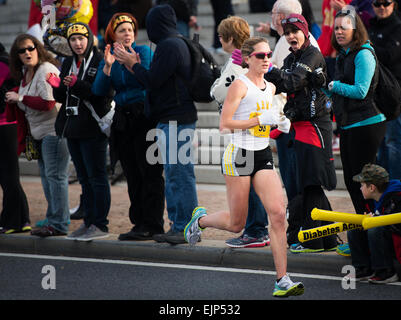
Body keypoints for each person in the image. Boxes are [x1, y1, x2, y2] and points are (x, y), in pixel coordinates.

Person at [184, 37, 305, 298]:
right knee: (237, 223)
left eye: (268, 55)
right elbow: (225, 124)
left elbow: (270, 119)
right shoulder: (239, 85)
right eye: (260, 56)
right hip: (238, 154)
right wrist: (259, 119)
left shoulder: (271, 87)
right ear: (247, 58)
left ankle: (282, 279)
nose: (265, 60)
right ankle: (201, 220)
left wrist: (280, 124)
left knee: (277, 215)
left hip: (261, 153)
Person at [113, 4, 198, 244]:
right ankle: (180, 226)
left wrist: (132, 63)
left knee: (178, 175)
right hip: (173, 117)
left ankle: (184, 227)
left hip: (175, 119)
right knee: (176, 174)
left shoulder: (170, 45)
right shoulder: (174, 42)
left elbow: (152, 80)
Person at [265, 14, 338, 253]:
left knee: (312, 183)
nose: (290, 36)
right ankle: (328, 238)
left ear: (305, 32)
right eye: (287, 33)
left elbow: (292, 81)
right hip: (299, 126)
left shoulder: (313, 53)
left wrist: (271, 69)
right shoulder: (289, 57)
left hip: (317, 126)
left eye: (294, 31)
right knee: (308, 183)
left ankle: (313, 241)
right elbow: (280, 85)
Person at [92, 13, 165, 241]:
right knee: (132, 173)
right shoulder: (110, 56)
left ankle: (153, 223)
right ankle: (138, 222)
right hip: (123, 119)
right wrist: (107, 67)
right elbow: (98, 91)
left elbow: (150, 81)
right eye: (122, 30)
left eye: (130, 30)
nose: (127, 34)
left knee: (150, 172)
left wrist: (131, 63)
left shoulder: (142, 52)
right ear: (114, 34)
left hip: (145, 116)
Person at [326, 7, 387, 256]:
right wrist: (326, 90)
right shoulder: (345, 54)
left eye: (344, 27)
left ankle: (376, 239)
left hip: (367, 125)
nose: (339, 31)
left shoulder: (363, 53)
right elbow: (341, 92)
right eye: (337, 27)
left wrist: (335, 85)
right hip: (349, 125)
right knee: (354, 185)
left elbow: (361, 91)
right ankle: (363, 238)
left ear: (355, 29)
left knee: (366, 185)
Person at [48, 22, 113, 241]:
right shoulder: (67, 62)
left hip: (93, 127)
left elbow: (101, 94)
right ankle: (88, 222)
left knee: (97, 177)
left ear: (90, 39)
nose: (77, 43)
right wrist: (56, 85)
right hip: (71, 126)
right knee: (84, 178)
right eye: (73, 39)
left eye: (81, 38)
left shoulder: (99, 60)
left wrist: (76, 84)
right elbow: (61, 97)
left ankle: (100, 224)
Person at [210, 16, 270, 249]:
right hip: (251, 129)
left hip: (244, 132)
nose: (219, 40)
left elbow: (218, 93)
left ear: (230, 39)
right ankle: (257, 228)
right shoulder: (244, 61)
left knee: (249, 181)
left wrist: (214, 85)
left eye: (221, 37)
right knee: (253, 181)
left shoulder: (237, 63)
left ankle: (256, 230)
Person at [6, 34, 70, 237]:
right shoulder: (26, 73)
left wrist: (20, 97)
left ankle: (59, 223)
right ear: (17, 56)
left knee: (55, 177)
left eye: (30, 48)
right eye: (22, 50)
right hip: (39, 134)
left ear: (38, 49)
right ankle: (53, 218)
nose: (27, 53)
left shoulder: (45, 69)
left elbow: (48, 102)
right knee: (47, 177)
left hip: (54, 131)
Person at [349, 163, 400, 283]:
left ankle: (386, 271)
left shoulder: (397, 198)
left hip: (397, 240)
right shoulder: (375, 198)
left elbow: (395, 227)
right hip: (389, 238)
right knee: (355, 227)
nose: (360, 188)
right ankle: (363, 268)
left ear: (372, 188)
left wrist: (376, 219)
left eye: (362, 185)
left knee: (375, 228)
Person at [0, 42, 30, 234]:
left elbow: (12, 88)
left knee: (8, 175)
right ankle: (22, 218)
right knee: (8, 175)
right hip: (6, 123)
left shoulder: (4, 63)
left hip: (6, 123)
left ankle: (12, 220)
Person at [369, 0, 401, 181]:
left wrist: (369, 47)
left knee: (393, 143)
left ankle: (395, 190)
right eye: (377, 3)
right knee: (380, 145)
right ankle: (382, 192)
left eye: (386, 3)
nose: (381, 7)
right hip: (376, 94)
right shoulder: (371, 26)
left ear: (393, 4)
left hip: (394, 96)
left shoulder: (397, 27)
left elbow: (390, 55)